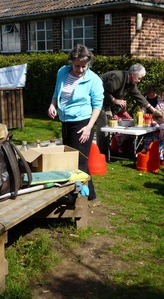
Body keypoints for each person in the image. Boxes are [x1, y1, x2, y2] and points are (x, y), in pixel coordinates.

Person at [48, 44, 104, 202]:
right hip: (65, 121)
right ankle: (90, 195)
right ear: (71, 62)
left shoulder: (93, 80)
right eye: (77, 65)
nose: (80, 69)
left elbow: (97, 106)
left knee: (78, 161)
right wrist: (53, 105)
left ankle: (75, 197)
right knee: (72, 158)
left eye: (84, 66)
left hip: (83, 123)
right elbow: (56, 92)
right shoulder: (62, 72)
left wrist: (88, 127)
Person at [96, 63, 155, 153]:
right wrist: (115, 100)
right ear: (133, 74)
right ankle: (101, 151)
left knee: (109, 124)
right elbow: (102, 90)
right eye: (139, 78)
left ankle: (107, 149)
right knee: (103, 124)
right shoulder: (118, 78)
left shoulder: (131, 83)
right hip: (97, 101)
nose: (139, 81)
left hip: (106, 103)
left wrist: (152, 109)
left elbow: (138, 96)